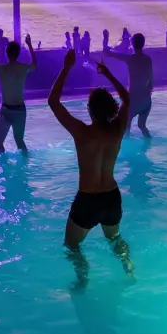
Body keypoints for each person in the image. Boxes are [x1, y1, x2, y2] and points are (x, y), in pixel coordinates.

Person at [48, 50, 133, 287]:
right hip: (112, 198)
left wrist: (66, 67)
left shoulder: (82, 133)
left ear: (90, 111)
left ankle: (83, 276)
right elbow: (127, 99)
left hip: (88, 200)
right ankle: (128, 268)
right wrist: (108, 75)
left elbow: (53, 102)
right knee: (115, 239)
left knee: (72, 245)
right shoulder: (117, 130)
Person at [0, 34, 36, 153]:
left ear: (6, 53)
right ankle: (25, 164)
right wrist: (30, 45)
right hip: (20, 110)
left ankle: (5, 166)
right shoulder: (23, 68)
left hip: (6, 111)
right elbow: (34, 65)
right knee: (20, 141)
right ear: (18, 53)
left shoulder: (2, 68)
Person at [103, 33, 154, 137]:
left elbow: (110, 54)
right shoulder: (147, 59)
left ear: (132, 44)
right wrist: (147, 95)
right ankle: (149, 140)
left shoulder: (130, 59)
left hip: (132, 101)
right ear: (143, 44)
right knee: (142, 126)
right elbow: (152, 81)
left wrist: (105, 41)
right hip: (146, 101)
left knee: (126, 128)